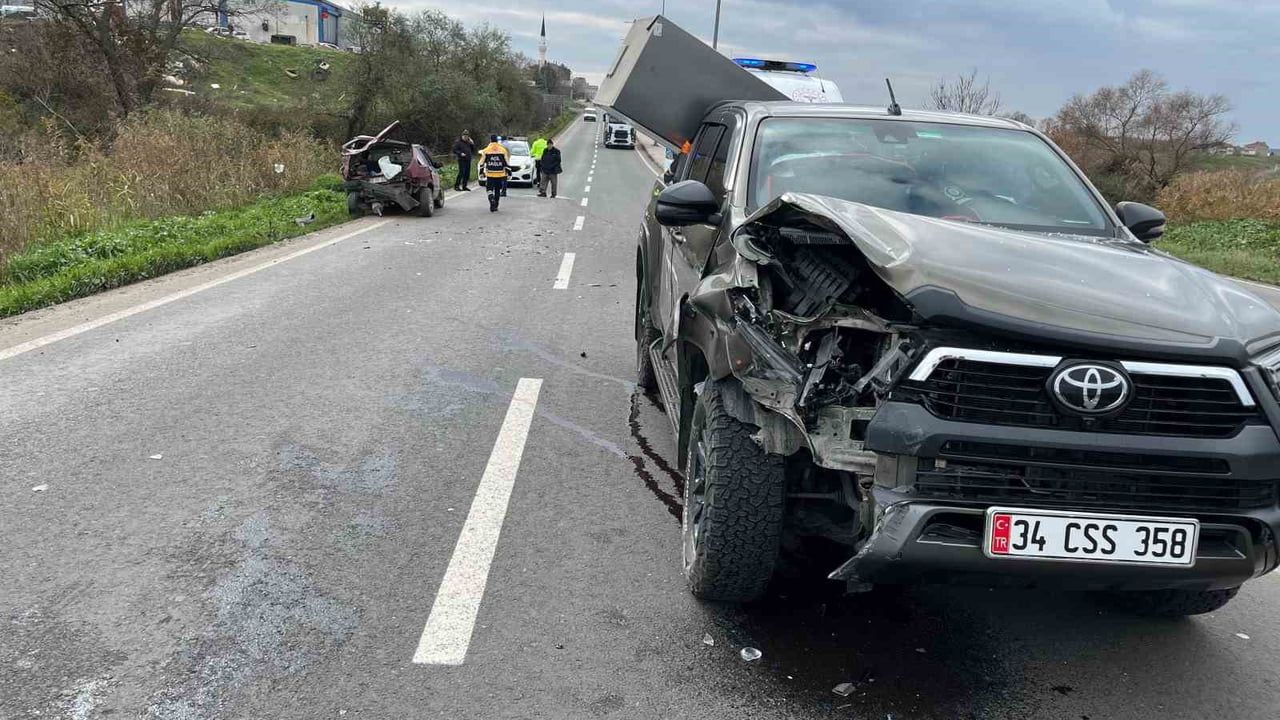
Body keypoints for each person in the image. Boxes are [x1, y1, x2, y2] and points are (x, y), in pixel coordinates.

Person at [477, 135, 514, 211]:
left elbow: (481, 163)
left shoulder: (486, 150)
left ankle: (491, 199)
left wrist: (481, 172)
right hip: (500, 174)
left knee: (489, 189)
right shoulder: (503, 150)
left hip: (490, 174)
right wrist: (509, 172)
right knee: (497, 189)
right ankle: (496, 205)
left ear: (490, 140)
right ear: (497, 141)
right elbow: (507, 162)